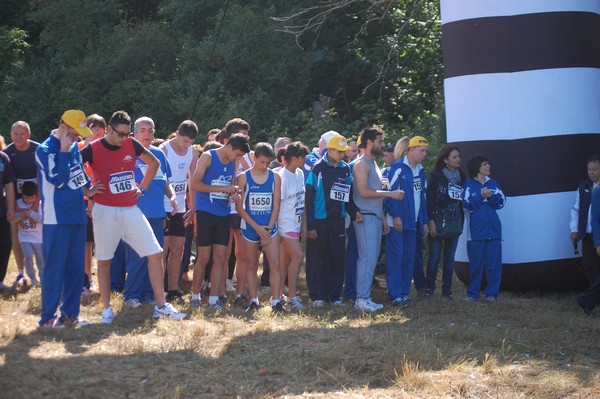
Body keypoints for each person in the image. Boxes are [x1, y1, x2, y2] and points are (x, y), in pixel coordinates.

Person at [81, 110, 185, 323]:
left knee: (155, 253)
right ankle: (107, 309)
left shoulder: (131, 143)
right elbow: (72, 166)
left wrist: (143, 188)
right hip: (105, 209)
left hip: (130, 208)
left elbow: (154, 163)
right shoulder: (93, 148)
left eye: (128, 134)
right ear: (109, 130)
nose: (124, 139)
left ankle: (161, 306)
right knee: (104, 259)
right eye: (121, 134)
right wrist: (87, 190)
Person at [36, 110, 103, 327]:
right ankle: (47, 318)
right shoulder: (44, 150)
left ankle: (70, 314)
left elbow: (78, 171)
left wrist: (89, 190)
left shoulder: (73, 145)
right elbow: (58, 180)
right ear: (65, 127)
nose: (79, 138)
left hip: (77, 215)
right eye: (76, 132)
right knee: (54, 270)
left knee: (76, 269)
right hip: (56, 220)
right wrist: (64, 152)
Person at [190, 133, 250, 310]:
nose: (238, 159)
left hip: (223, 214)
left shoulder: (234, 162)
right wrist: (223, 188)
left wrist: (234, 194)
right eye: (238, 154)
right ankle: (195, 296)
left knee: (221, 257)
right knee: (204, 257)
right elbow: (195, 184)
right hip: (206, 212)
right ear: (229, 147)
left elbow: (230, 186)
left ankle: (214, 298)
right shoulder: (208, 156)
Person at [122, 116, 178, 308]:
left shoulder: (159, 155)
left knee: (155, 255)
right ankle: (131, 295)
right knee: (137, 256)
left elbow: (165, 181)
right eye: (143, 130)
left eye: (151, 130)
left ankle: (148, 293)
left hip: (156, 213)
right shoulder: (127, 153)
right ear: (134, 133)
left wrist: (171, 196)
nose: (147, 134)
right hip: (134, 212)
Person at [352, 127, 404, 312]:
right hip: (365, 217)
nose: (383, 144)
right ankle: (361, 299)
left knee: (371, 259)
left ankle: (365, 297)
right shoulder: (361, 164)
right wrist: (391, 194)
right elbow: (364, 191)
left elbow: (375, 193)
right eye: (380, 141)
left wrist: (382, 219)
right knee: (367, 259)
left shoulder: (372, 164)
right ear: (368, 143)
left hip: (373, 217)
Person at [305, 135, 354, 307]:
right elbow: (308, 198)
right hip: (319, 221)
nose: (342, 154)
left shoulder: (346, 169)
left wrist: (354, 213)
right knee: (317, 259)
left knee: (337, 258)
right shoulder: (317, 169)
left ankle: (334, 296)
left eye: (344, 152)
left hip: (338, 221)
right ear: (330, 150)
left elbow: (348, 195)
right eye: (339, 152)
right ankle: (317, 296)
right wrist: (310, 226)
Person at [235, 143, 283, 312]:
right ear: (254, 157)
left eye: (268, 163)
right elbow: (240, 208)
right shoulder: (243, 177)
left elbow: (276, 205)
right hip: (250, 227)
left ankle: (276, 302)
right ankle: (254, 300)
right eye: (262, 162)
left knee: (275, 263)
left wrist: (268, 229)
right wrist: (257, 228)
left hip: (269, 227)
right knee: (251, 263)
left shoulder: (275, 177)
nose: (265, 166)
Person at [384, 136, 429, 306]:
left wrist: (423, 220)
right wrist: (395, 216)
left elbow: (422, 197)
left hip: (413, 221)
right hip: (397, 222)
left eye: (426, 151)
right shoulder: (397, 168)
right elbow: (389, 195)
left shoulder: (421, 170)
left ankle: (404, 293)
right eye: (421, 150)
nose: (424, 154)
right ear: (411, 150)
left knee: (409, 258)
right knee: (396, 257)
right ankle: (395, 294)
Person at [160, 120, 199, 302]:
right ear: (177, 134)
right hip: (163, 206)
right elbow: (159, 179)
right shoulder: (164, 150)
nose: (186, 145)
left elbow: (193, 181)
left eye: (190, 142)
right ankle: (158, 289)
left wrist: (193, 207)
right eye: (184, 141)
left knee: (178, 249)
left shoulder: (192, 152)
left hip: (181, 207)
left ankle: (173, 288)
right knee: (162, 251)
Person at [462, 155, 505, 302]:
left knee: (494, 265)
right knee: (476, 265)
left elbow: (501, 203)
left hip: (494, 230)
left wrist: (490, 197)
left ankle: (492, 294)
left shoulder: (493, 183)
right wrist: (481, 196)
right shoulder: (468, 184)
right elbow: (467, 206)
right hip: (475, 233)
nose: (488, 166)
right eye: (485, 164)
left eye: (488, 163)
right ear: (477, 168)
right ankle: (473, 293)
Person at [425, 145, 465, 299]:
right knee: (434, 257)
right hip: (437, 220)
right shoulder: (436, 175)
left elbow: (461, 200)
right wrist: (430, 221)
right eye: (454, 157)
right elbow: (429, 199)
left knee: (450, 257)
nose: (458, 160)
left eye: (459, 157)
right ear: (446, 159)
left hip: (454, 220)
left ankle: (447, 290)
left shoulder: (461, 175)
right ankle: (429, 289)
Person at [4, 121, 39, 286]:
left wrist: (35, 205)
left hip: (37, 197)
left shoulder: (38, 150)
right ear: (11, 135)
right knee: (17, 233)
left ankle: (42, 272)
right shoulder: (7, 153)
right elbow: (8, 182)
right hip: (16, 198)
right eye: (15, 134)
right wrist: (15, 207)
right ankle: (20, 273)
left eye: (22, 133)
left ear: (29, 135)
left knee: (39, 231)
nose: (18, 137)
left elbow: (43, 180)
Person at [277, 142, 309, 310]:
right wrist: (276, 229)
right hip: (285, 224)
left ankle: (279, 294)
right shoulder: (282, 176)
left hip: (296, 224)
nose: (306, 160)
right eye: (303, 157)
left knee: (285, 260)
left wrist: (304, 222)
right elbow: (277, 204)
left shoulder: (300, 173)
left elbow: (301, 200)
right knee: (298, 256)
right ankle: (292, 297)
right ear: (294, 158)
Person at [81, 114, 107, 295]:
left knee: (104, 242)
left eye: (101, 134)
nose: (98, 137)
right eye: (94, 133)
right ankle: (86, 278)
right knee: (86, 242)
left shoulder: (108, 148)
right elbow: (78, 171)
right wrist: (90, 198)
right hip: (84, 201)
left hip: (105, 201)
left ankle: (105, 280)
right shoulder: (80, 148)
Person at [570, 155, 600, 285]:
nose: (592, 172)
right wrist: (574, 229)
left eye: (595, 169)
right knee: (589, 265)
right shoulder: (583, 186)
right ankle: (595, 296)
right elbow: (576, 209)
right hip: (587, 234)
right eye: (589, 169)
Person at [576, 186, 600, 315]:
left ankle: (585, 300)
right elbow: (595, 219)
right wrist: (598, 242)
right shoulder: (597, 192)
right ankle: (585, 299)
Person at [15, 181, 44, 287]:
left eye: (32, 198)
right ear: (22, 195)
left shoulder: (40, 204)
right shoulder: (18, 203)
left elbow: (42, 219)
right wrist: (20, 216)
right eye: (26, 198)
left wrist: (31, 214)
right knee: (27, 256)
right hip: (24, 237)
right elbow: (14, 218)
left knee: (41, 258)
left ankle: (43, 277)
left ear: (36, 196)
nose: (29, 201)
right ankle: (32, 278)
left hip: (38, 238)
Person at [0, 137, 16, 291]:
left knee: (5, 244)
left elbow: (9, 184)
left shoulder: (3, 158)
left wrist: (11, 208)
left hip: (1, 210)